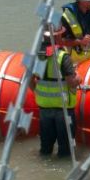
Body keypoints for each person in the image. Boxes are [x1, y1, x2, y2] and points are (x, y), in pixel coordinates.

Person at [33, 29, 79, 158]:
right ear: (58, 36)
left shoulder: (36, 56)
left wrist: (39, 93)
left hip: (44, 108)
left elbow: (30, 80)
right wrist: (79, 78)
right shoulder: (63, 56)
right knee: (65, 150)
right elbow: (71, 82)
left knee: (45, 148)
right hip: (63, 110)